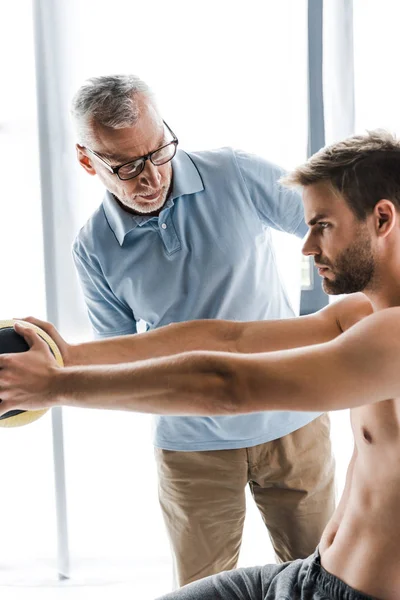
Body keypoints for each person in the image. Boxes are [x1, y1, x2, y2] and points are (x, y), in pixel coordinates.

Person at [2, 128, 400, 599]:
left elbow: (227, 385)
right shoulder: (363, 313)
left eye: (323, 225)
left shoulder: (391, 335)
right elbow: (228, 337)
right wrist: (63, 358)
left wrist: (54, 389)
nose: (307, 246)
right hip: (308, 575)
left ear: (381, 218)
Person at [66, 74, 336, 584]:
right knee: (200, 591)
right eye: (125, 166)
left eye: (158, 152)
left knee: (325, 581)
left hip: (294, 421)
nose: (150, 177)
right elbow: (121, 359)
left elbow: (325, 223)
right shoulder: (93, 248)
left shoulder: (233, 172)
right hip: (191, 446)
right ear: (88, 161)